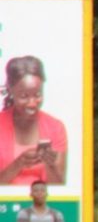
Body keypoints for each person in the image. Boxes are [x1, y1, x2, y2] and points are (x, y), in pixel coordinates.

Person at [0, 56, 66, 185]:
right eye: (24, 96)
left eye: (38, 95)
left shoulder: (55, 127)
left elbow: (58, 189)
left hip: (41, 203)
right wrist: (18, 165)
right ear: (11, 90)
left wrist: (50, 165)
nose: (32, 103)